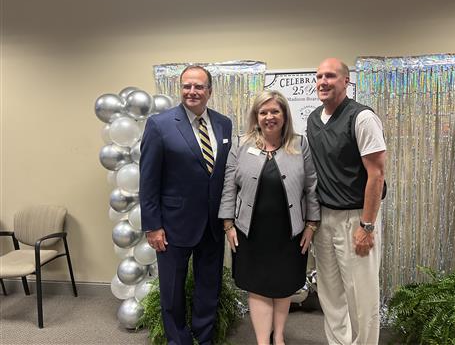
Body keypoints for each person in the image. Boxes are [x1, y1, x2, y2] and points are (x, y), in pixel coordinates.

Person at [139, 65, 232, 345]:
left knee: (209, 288)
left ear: (209, 91)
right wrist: (153, 226)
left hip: (213, 225)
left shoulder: (223, 124)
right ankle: (178, 341)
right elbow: (148, 180)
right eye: (187, 86)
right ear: (180, 89)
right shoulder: (160, 125)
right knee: (172, 291)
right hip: (173, 225)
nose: (192, 92)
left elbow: (223, 174)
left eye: (199, 87)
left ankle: (204, 339)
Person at [218, 90, 320, 345]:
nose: (269, 117)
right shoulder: (241, 144)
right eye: (263, 112)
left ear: (284, 115)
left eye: (275, 111)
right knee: (258, 285)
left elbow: (312, 186)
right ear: (256, 116)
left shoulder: (300, 144)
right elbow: (229, 186)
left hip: (290, 231)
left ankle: (280, 337)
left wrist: (311, 225)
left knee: (283, 285)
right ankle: (264, 341)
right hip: (250, 230)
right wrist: (228, 224)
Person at [307, 58, 386, 345]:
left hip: (357, 217)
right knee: (330, 294)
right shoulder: (314, 119)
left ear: (346, 82)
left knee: (361, 296)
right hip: (325, 218)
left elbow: (376, 174)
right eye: (319, 76)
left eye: (330, 76)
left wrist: (367, 225)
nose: (323, 81)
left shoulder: (362, 118)